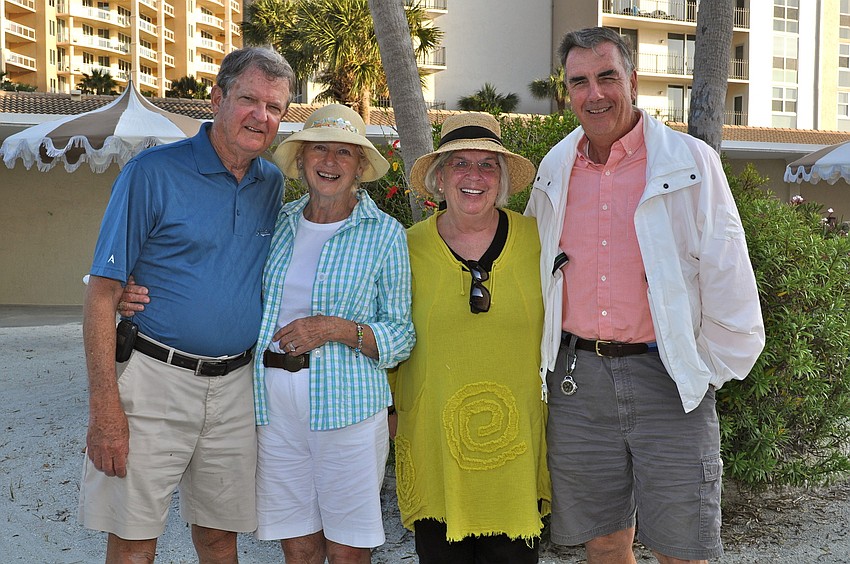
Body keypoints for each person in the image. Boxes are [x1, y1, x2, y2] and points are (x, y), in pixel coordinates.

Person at [524, 27, 765, 564]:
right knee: (605, 541)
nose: (595, 93)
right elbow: (539, 270)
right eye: (579, 81)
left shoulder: (691, 162)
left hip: (670, 377)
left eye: (607, 76)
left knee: (683, 548)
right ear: (567, 92)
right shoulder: (554, 169)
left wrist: (706, 368)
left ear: (632, 80)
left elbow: (728, 271)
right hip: (577, 382)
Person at [79, 47, 294, 563]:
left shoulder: (272, 184)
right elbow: (101, 293)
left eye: (275, 107)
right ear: (216, 98)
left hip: (236, 389)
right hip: (153, 380)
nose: (261, 117)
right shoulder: (152, 173)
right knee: (133, 540)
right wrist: (105, 410)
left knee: (220, 538)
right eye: (248, 99)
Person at [256, 103, 415, 563]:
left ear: (361, 166)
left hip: (348, 410)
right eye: (319, 149)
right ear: (302, 159)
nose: (330, 161)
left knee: (348, 548)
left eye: (344, 152)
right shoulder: (279, 224)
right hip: (273, 409)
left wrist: (335, 329)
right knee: (298, 546)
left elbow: (401, 335)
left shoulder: (385, 234)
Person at [390, 112, 550, 563]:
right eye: (460, 164)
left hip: (517, 453)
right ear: (439, 179)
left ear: (501, 180)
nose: (474, 176)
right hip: (433, 446)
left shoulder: (539, 241)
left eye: (487, 165)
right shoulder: (405, 248)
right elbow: (387, 336)